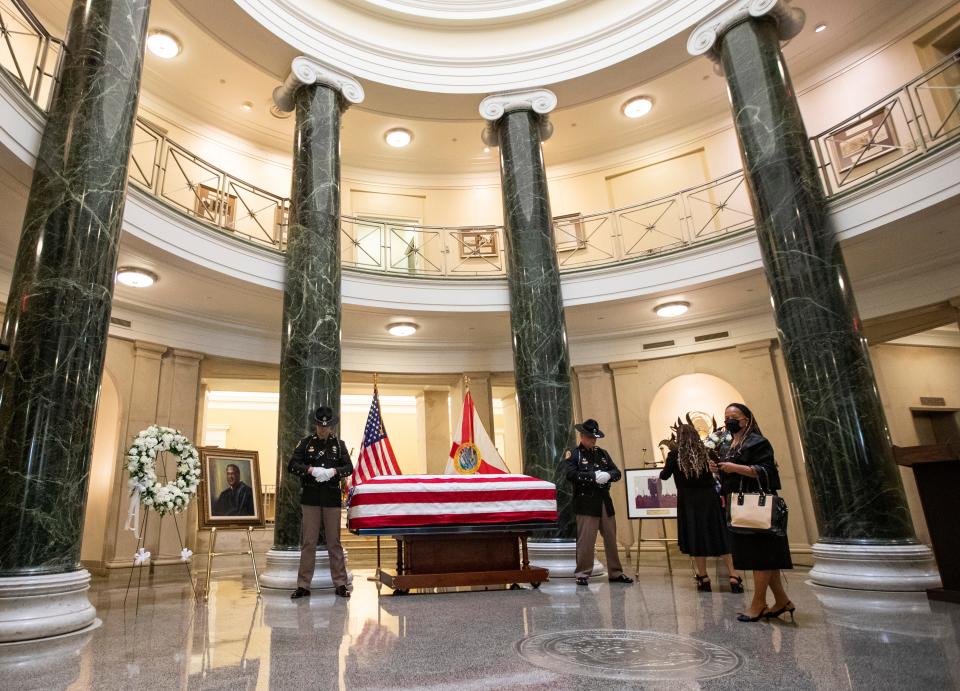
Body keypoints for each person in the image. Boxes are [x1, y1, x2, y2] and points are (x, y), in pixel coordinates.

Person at [709, 402, 794, 623]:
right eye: (726, 416)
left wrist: (734, 468)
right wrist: (718, 470)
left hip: (757, 505)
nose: (729, 420)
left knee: (761, 557)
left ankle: (758, 603)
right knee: (762, 557)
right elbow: (728, 475)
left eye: (734, 416)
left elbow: (768, 471)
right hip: (739, 506)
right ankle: (783, 600)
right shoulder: (728, 445)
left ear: (746, 419)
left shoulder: (758, 442)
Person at [660, 422, 742, 593]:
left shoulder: (674, 455)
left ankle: (703, 578)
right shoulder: (706, 452)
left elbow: (664, 476)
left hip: (688, 501)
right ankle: (734, 576)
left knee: (696, 537)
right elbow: (720, 469)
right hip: (709, 499)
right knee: (720, 535)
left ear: (679, 438)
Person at [288, 406, 354, 599]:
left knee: (334, 542)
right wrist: (311, 470)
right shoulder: (306, 443)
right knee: (308, 542)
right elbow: (292, 464)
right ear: (316, 425)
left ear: (332, 426)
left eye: (327, 426)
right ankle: (303, 585)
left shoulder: (339, 445)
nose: (324, 429)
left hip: (331, 498)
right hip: (310, 498)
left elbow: (348, 467)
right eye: (320, 426)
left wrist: (333, 472)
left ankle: (340, 583)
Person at [562, 418, 634, 586]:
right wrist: (593, 477)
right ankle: (582, 573)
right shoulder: (574, 454)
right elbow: (570, 475)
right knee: (586, 540)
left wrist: (609, 475)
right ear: (582, 436)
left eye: (594, 437)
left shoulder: (602, 453)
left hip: (604, 501)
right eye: (589, 437)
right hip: (586, 502)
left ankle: (616, 572)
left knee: (611, 538)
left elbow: (616, 472)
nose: (592, 440)